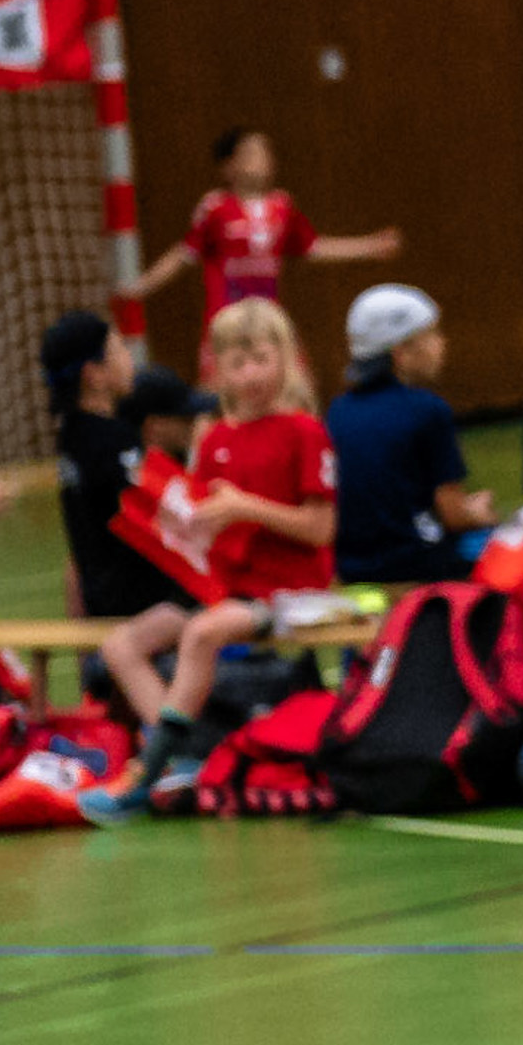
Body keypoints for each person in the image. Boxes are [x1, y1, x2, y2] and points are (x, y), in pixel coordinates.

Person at [86, 299, 336, 818]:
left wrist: (246, 507)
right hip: (225, 591)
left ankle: (147, 772)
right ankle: (181, 757)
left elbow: (320, 528)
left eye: (262, 359)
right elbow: (208, 527)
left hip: (289, 594)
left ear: (285, 358)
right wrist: (176, 521)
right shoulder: (217, 437)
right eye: (238, 364)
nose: (251, 376)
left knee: (201, 634)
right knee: (122, 643)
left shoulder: (304, 432)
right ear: (218, 368)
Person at [44, 313, 204, 715]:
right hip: (139, 615)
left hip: (106, 609)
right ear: (93, 374)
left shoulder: (72, 438)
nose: (129, 359)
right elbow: (175, 521)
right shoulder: (112, 444)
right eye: (118, 349)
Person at [126, 127, 401, 327]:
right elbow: (182, 255)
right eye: (251, 153)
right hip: (227, 317)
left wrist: (370, 246)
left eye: (265, 152)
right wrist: (140, 286)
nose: (262, 159)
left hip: (270, 317)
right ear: (229, 166)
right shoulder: (214, 208)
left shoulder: (282, 206)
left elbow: (313, 247)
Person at [327, 285, 493, 584]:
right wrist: (479, 513)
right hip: (418, 563)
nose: (442, 342)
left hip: (351, 567)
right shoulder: (428, 410)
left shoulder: (337, 412)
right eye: (432, 334)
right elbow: (453, 514)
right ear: (401, 353)